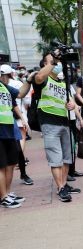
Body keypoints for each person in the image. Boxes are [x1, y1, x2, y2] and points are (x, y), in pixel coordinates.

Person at [30, 53, 80, 202]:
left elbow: (69, 102)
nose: (57, 64)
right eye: (52, 62)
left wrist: (71, 105)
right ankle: (60, 188)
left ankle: (63, 185)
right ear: (45, 64)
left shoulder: (61, 82)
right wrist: (53, 61)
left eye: (57, 62)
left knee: (66, 157)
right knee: (55, 158)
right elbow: (38, 78)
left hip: (64, 122)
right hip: (49, 122)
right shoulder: (42, 79)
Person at [0, 67, 29, 208]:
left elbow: (21, 94)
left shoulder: (4, 87)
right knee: (1, 166)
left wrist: (29, 80)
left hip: (8, 129)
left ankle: (7, 193)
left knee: (11, 163)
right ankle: (3, 196)